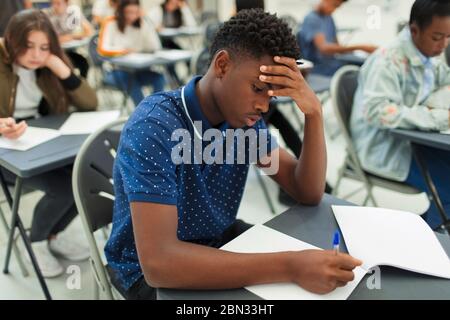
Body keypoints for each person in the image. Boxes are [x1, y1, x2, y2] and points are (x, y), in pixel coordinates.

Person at [105, 9, 362, 300]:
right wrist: (290, 265)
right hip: (146, 272)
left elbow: (308, 191)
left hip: (218, 239)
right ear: (223, 65)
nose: (264, 105)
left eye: (272, 95)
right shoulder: (154, 126)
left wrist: (313, 113)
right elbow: (159, 264)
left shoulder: (244, 124)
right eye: (258, 88)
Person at [0, 10, 98, 277]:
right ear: (10, 40)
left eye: (44, 47)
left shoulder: (46, 66)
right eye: (28, 46)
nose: (35, 54)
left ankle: (52, 234)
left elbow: (90, 104)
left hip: (41, 142)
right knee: (66, 188)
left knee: (87, 181)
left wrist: (59, 66)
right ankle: (35, 241)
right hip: (6, 153)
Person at [350, 0, 450, 230]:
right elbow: (378, 111)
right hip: (384, 148)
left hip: (410, 141)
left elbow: (442, 76)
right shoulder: (388, 60)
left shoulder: (425, 55)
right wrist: (441, 118)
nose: (443, 45)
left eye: (448, 37)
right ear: (414, 30)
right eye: (437, 37)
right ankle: (430, 237)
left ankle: (428, 227)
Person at [97, 0, 166, 107]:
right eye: (128, 12)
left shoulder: (141, 24)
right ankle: (144, 112)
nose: (131, 16)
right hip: (115, 71)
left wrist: (145, 22)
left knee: (159, 78)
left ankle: (156, 108)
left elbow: (155, 46)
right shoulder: (110, 22)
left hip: (138, 70)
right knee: (129, 79)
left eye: (135, 12)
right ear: (121, 11)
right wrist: (123, 51)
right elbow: (102, 49)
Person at [297, 0, 377, 76]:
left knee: (366, 64)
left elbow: (338, 46)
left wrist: (359, 52)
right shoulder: (312, 19)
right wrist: (360, 47)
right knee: (357, 74)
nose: (334, 9)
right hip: (319, 68)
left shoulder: (329, 18)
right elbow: (324, 49)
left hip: (333, 62)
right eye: (334, 5)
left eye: (337, 7)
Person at [45, 0, 94, 78]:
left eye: (58, 3)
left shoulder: (72, 13)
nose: (54, 6)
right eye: (53, 3)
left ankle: (80, 86)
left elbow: (89, 31)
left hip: (68, 52)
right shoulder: (47, 15)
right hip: (54, 54)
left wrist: (71, 36)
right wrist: (69, 37)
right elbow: (49, 39)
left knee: (83, 63)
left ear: (67, 4)